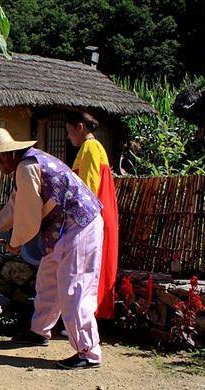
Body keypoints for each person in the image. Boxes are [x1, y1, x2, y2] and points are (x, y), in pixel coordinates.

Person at [0, 127, 104, 369]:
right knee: (48, 280)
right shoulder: (27, 163)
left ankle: (88, 352)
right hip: (64, 227)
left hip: (78, 224)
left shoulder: (26, 168)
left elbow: (28, 213)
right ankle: (40, 331)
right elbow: (18, 203)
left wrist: (16, 242)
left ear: (4, 155)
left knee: (73, 287)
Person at [66, 112, 119, 320]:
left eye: (70, 132)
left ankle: (85, 318)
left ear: (80, 127)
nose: (69, 137)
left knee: (87, 269)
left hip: (90, 216)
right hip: (100, 213)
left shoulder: (90, 147)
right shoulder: (95, 148)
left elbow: (87, 188)